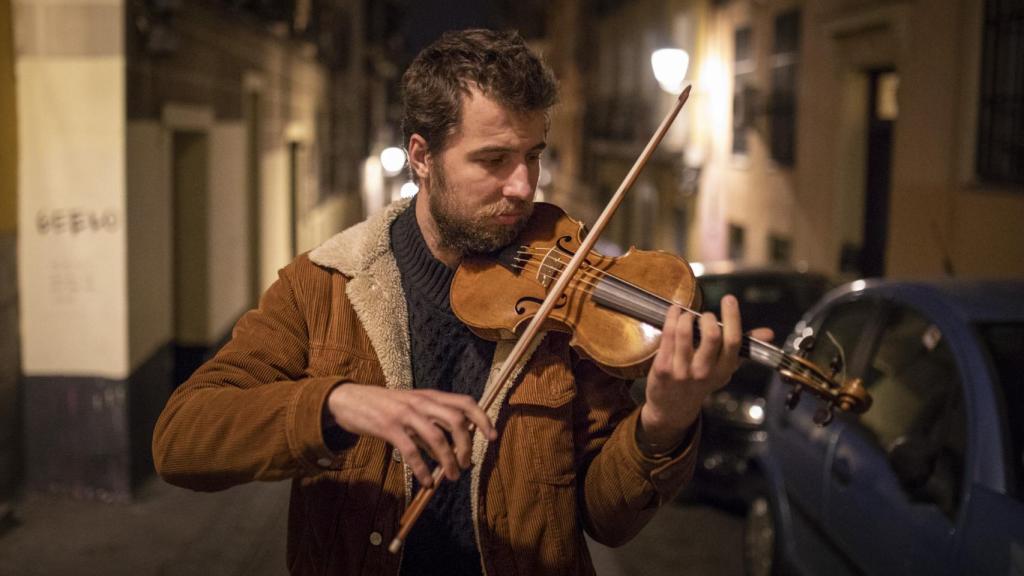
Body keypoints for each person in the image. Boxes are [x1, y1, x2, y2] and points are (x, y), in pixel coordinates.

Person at [153, 28, 770, 576]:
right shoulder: (323, 287)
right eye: (493, 160)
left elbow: (603, 519)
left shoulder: (563, 305)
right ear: (422, 156)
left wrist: (664, 421)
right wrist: (336, 404)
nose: (524, 186)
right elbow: (181, 439)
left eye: (532, 156)